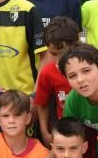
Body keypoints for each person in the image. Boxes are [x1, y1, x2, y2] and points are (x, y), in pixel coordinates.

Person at [33, 16, 81, 146]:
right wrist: (45, 132)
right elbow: (42, 104)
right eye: (53, 54)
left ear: (76, 42)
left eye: (63, 52)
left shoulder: (90, 66)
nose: (59, 59)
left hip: (88, 135)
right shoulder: (48, 72)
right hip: (62, 133)